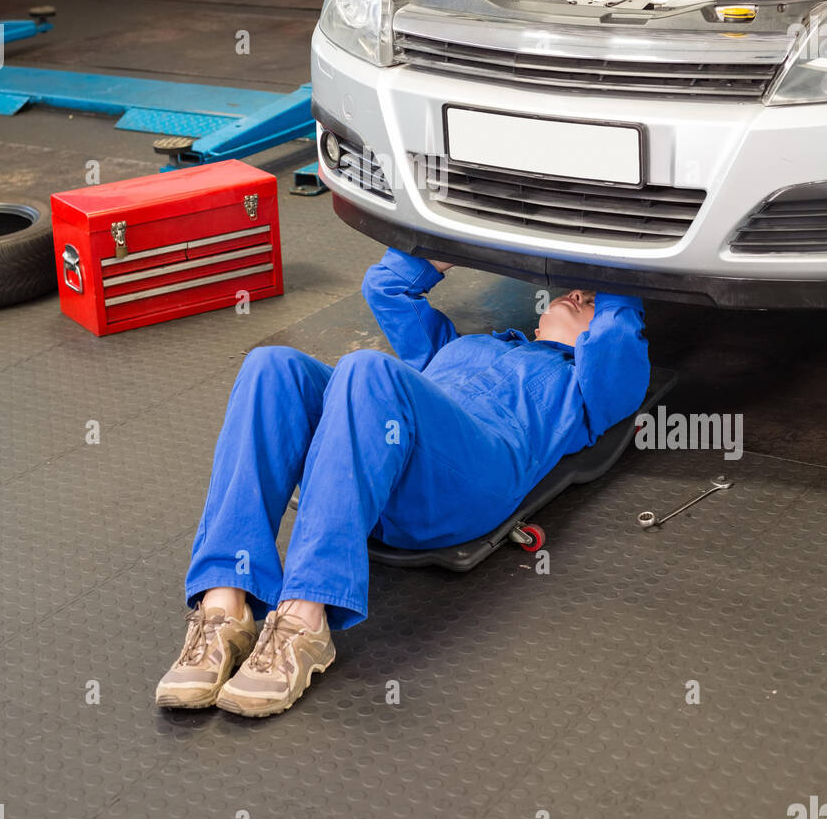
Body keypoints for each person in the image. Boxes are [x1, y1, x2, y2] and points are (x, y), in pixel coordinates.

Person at [156, 247, 650, 718]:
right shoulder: (461, 345)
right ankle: (224, 605)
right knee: (270, 365)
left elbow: (617, 335)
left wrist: (603, 275)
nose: (575, 296)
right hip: (377, 465)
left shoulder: (589, 387)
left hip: (470, 482)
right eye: (574, 292)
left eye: (588, 302)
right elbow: (388, 288)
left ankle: (305, 619)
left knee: (366, 367)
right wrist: (452, 242)